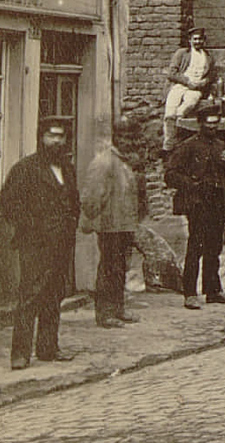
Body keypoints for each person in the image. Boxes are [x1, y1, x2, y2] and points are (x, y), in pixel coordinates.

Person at [3, 122, 81, 368]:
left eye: (61, 136)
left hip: (61, 243)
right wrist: (31, 228)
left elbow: (73, 200)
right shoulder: (25, 168)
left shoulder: (67, 168)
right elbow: (9, 203)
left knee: (54, 296)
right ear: (41, 138)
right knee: (30, 296)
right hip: (35, 245)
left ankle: (48, 348)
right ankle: (20, 354)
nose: (56, 141)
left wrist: (71, 225)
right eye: (51, 136)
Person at [165, 102, 225, 307]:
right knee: (195, 247)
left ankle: (213, 291)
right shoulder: (188, 146)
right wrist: (192, 185)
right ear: (200, 124)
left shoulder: (221, 146)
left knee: (214, 248)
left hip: (218, 201)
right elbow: (170, 175)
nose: (212, 127)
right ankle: (190, 293)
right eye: (209, 123)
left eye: (215, 123)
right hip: (198, 203)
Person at [79, 118, 141, 327]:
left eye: (132, 138)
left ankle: (118, 308)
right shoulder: (104, 162)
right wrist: (93, 219)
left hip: (123, 225)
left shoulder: (123, 162)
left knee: (120, 268)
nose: (128, 142)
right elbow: (91, 196)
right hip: (109, 226)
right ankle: (105, 313)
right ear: (116, 137)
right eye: (124, 137)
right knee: (108, 268)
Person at [162, 28, 218, 151]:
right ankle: (168, 145)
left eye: (200, 39)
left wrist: (204, 82)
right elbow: (171, 73)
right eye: (195, 39)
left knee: (190, 103)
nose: (197, 42)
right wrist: (187, 82)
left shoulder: (208, 56)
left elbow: (212, 75)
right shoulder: (182, 53)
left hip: (196, 88)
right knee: (170, 111)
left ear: (204, 40)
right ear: (190, 40)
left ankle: (177, 126)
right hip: (179, 85)